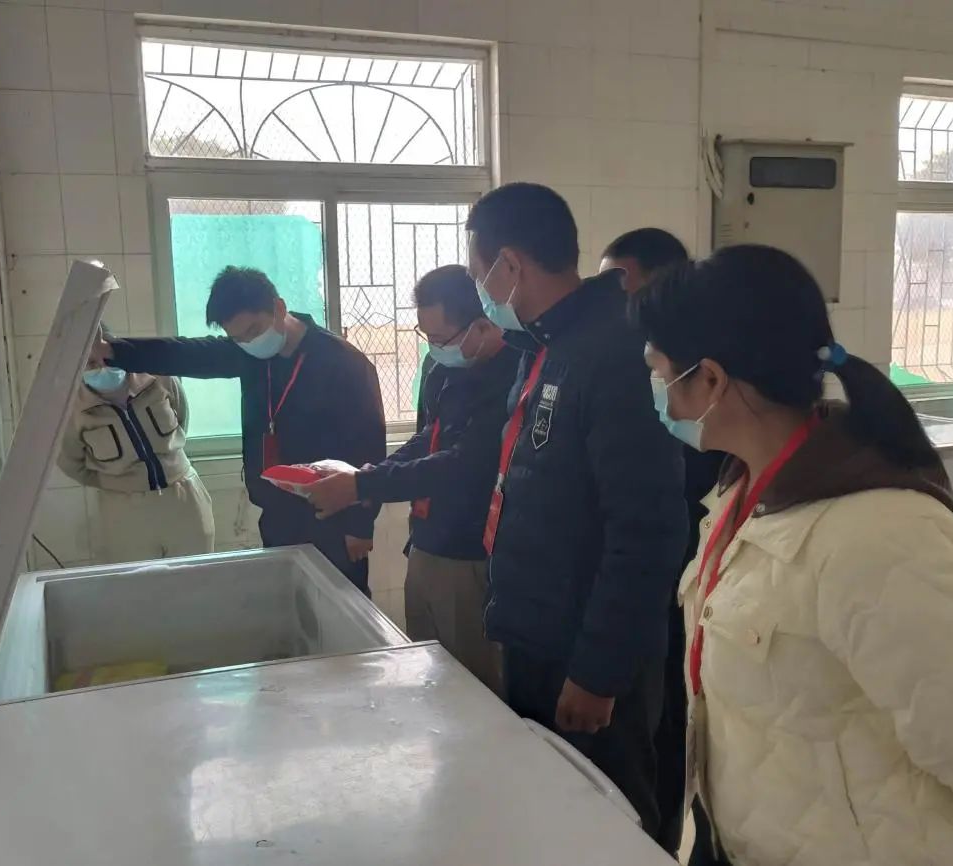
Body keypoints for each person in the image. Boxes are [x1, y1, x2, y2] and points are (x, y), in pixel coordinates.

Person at [634, 243, 953, 866]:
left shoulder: (883, 539)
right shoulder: (742, 492)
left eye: (658, 370)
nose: (653, 392)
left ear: (712, 380)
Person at [467, 182, 688, 839]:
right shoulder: (545, 346)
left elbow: (645, 529)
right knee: (554, 818)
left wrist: (598, 670)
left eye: (479, 272)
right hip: (537, 632)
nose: (479, 290)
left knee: (611, 823)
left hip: (585, 655)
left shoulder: (615, 352)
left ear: (510, 265)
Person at [92, 267, 385, 594]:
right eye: (237, 338)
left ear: (279, 308)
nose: (249, 342)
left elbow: (369, 447)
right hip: (277, 516)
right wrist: (113, 352)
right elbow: (187, 353)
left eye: (253, 330)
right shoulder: (252, 355)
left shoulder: (343, 362)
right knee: (288, 606)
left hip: (332, 517)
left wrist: (361, 524)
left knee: (342, 609)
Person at [306, 265, 518, 693]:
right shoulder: (442, 366)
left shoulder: (512, 375)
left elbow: (463, 465)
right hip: (426, 539)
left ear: (483, 324)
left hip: (471, 553)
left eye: (440, 338)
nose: (433, 348)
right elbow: (430, 437)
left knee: (470, 687)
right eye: (426, 336)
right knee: (427, 675)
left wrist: (362, 487)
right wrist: (371, 476)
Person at [603, 227, 725, 855]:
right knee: (668, 720)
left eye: (621, 284)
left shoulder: (714, 420)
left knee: (678, 719)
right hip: (674, 584)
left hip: (688, 574)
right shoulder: (647, 384)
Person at [57, 325, 216, 562]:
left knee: (199, 575)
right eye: (91, 363)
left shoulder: (157, 376)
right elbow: (71, 462)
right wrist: (117, 482)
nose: (102, 367)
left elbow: (181, 415)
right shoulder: (71, 410)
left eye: (106, 358)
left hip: (183, 495)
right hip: (123, 509)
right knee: (138, 582)